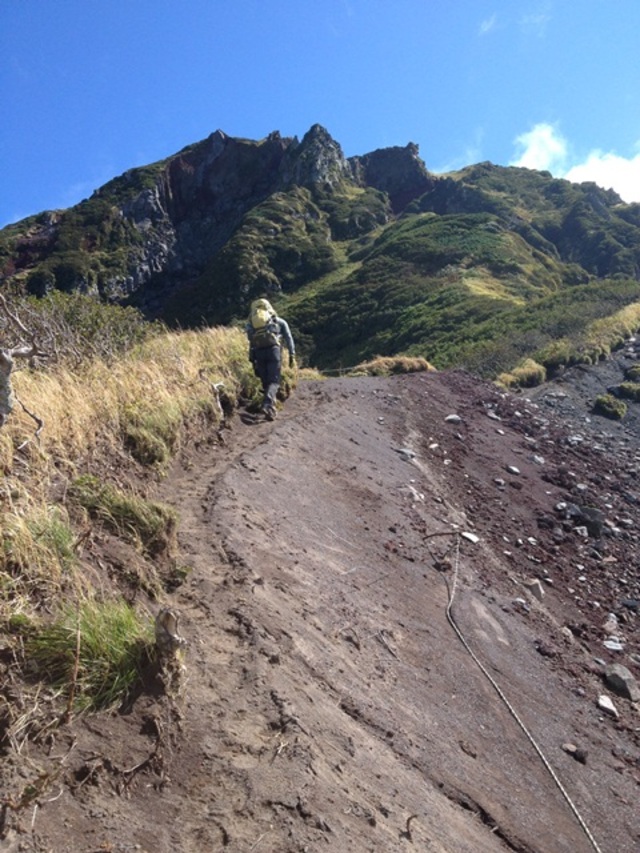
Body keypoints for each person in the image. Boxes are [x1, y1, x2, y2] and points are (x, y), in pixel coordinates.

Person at [246, 298, 295, 420]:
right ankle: (267, 405)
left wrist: (252, 359)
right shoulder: (278, 321)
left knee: (266, 382)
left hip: (258, 353)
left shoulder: (252, 323)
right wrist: (292, 355)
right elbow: (289, 338)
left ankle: (270, 411)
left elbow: (251, 341)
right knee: (274, 381)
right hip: (273, 351)